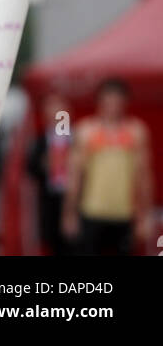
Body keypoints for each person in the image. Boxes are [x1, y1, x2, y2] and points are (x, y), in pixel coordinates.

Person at [61, 78, 154, 256]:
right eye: (108, 100)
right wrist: (69, 214)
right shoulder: (86, 131)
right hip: (92, 212)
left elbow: (144, 176)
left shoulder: (136, 132)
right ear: (100, 101)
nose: (112, 106)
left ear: (125, 102)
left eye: (117, 100)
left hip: (124, 213)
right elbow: (74, 176)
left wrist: (145, 215)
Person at [26, 91, 72, 256]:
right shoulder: (40, 141)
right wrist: (44, 164)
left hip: (74, 200)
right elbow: (31, 168)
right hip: (50, 201)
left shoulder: (77, 138)